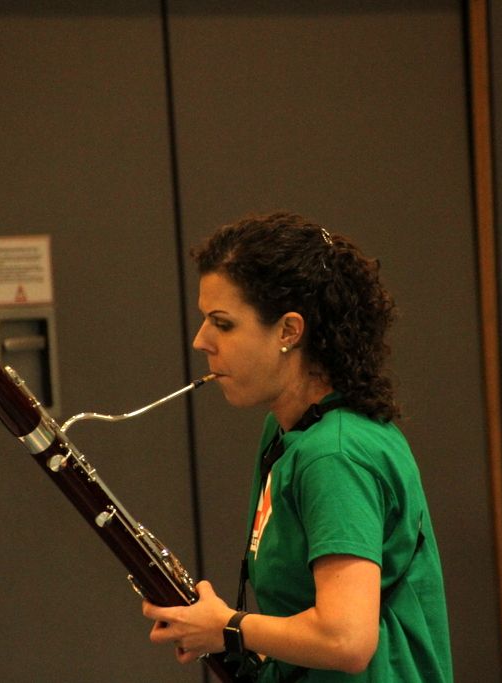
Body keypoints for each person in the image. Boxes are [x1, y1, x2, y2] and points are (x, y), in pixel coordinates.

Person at [142, 212, 452, 681]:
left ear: (289, 331)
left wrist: (227, 628)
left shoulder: (335, 455)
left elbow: (346, 641)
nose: (201, 341)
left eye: (222, 324)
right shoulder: (288, 431)